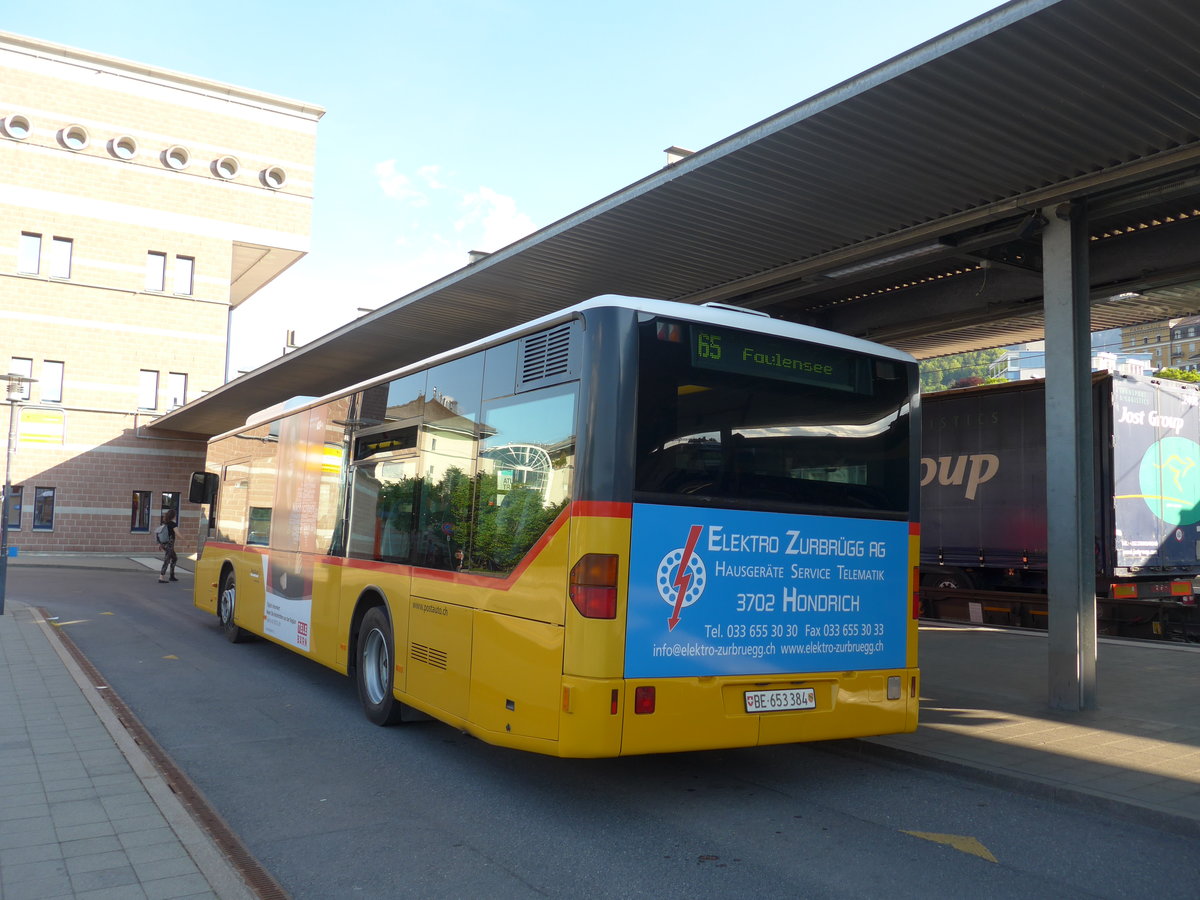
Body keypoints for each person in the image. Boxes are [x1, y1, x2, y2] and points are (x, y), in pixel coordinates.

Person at [158, 508, 178, 583]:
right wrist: (185, 540)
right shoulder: (173, 524)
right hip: (169, 545)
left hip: (164, 544)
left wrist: (160, 544)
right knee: (167, 560)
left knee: (174, 558)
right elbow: (178, 533)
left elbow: (160, 534)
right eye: (175, 515)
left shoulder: (165, 523)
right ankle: (161, 577)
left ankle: (172, 576)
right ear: (173, 516)